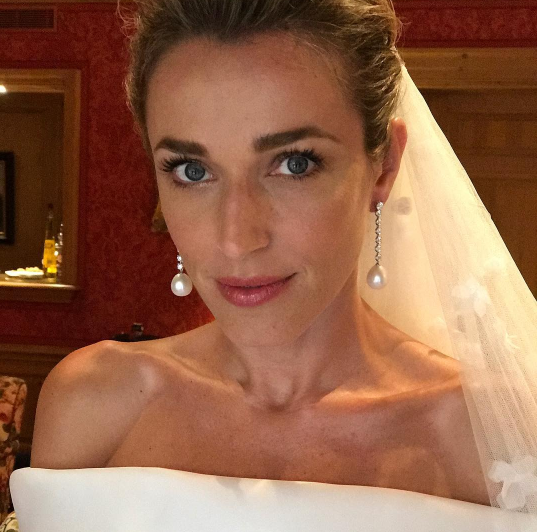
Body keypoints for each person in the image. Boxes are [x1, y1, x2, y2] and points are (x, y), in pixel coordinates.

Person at [7, 0, 536, 530]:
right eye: (192, 170)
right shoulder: (93, 402)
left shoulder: (495, 441)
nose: (237, 240)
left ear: (383, 166)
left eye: (294, 164)